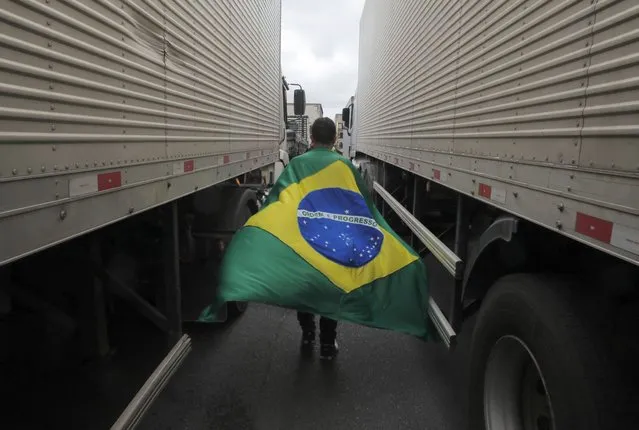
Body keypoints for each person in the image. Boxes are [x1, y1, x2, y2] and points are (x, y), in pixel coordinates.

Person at [297, 117, 340, 360]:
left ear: (311, 138)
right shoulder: (344, 165)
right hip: (333, 238)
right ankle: (326, 342)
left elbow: (282, 198)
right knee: (329, 287)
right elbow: (358, 203)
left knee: (305, 286)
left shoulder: (297, 164)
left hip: (304, 236)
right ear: (334, 139)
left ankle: (307, 334)